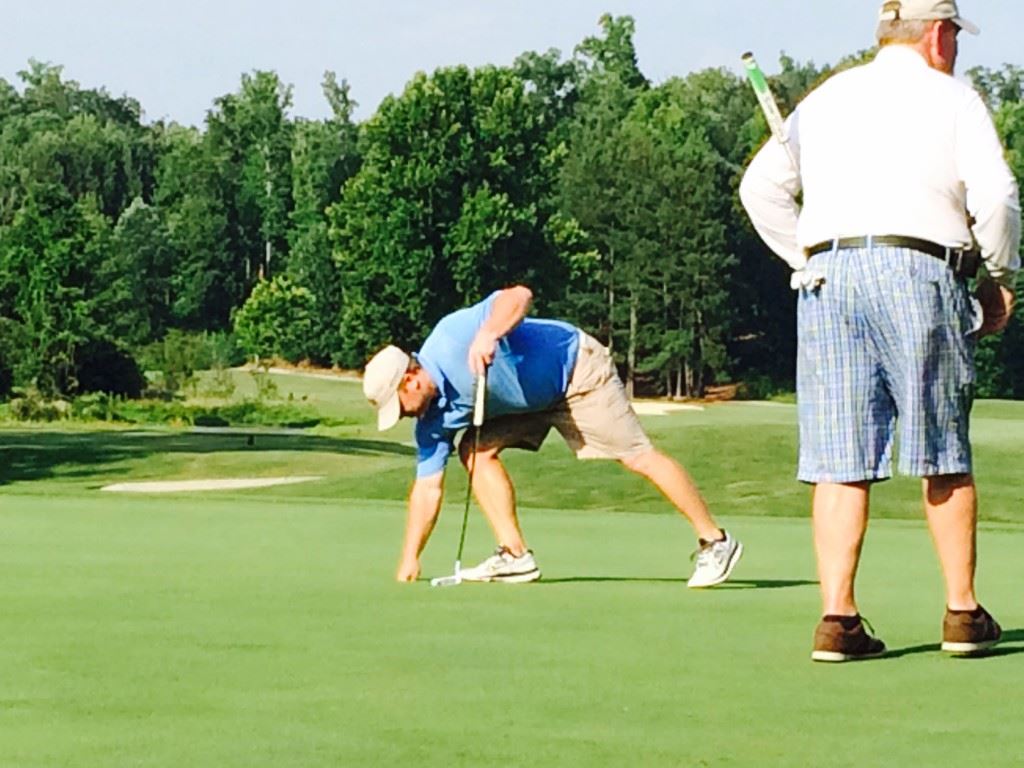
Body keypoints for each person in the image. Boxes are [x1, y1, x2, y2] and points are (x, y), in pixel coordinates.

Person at [739, 0, 1019, 661]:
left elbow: (760, 190)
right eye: (954, 35)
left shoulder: (828, 95)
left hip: (830, 278)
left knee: (839, 457)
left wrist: (801, 257)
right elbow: (998, 198)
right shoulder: (953, 96)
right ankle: (961, 612)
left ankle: (838, 620)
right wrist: (1001, 273)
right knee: (941, 446)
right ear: (938, 35)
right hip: (920, 268)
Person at [362, 285, 743, 586]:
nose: (404, 416)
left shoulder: (452, 336)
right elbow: (428, 489)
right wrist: (410, 558)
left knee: (637, 456)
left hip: (577, 371)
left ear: (410, 379)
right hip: (532, 402)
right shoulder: (430, 421)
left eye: (400, 405)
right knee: (475, 450)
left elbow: (519, 295)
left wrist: (489, 334)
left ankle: (716, 541)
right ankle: (515, 556)